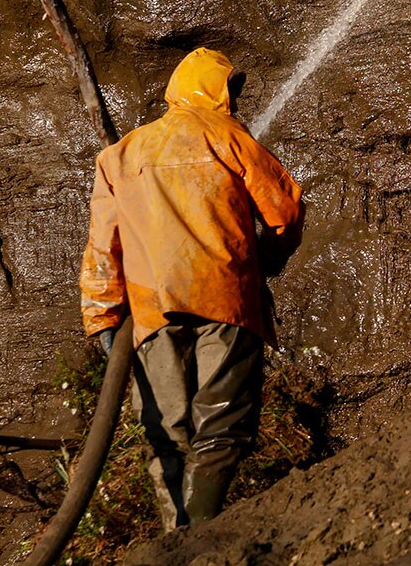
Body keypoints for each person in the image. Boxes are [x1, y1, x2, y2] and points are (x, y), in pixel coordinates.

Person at [78, 47, 305, 529]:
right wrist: (265, 262)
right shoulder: (228, 136)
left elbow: (103, 248)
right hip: (225, 298)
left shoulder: (119, 156)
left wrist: (102, 319)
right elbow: (284, 212)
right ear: (215, 90)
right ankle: (198, 531)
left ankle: (175, 538)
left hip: (151, 311)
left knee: (166, 430)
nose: (236, 102)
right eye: (231, 91)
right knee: (221, 424)